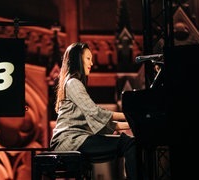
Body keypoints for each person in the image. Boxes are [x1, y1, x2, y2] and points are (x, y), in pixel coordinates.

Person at [50, 42, 138, 179]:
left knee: (127, 142)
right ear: (78, 59)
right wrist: (129, 116)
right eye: (88, 59)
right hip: (70, 141)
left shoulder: (73, 83)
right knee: (129, 143)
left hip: (78, 138)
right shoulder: (73, 83)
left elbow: (96, 120)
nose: (91, 63)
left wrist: (134, 122)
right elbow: (95, 112)